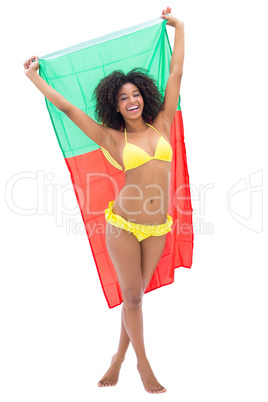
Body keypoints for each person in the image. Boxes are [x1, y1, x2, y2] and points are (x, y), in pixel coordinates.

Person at [23, 6, 184, 394]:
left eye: (136, 94)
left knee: (135, 299)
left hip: (158, 225)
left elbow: (176, 72)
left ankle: (117, 357)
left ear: (144, 97)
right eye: (123, 97)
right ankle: (143, 365)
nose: (131, 101)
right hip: (123, 226)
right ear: (114, 104)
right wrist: (34, 78)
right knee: (132, 297)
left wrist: (181, 29)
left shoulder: (162, 121)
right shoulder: (113, 139)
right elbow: (67, 108)